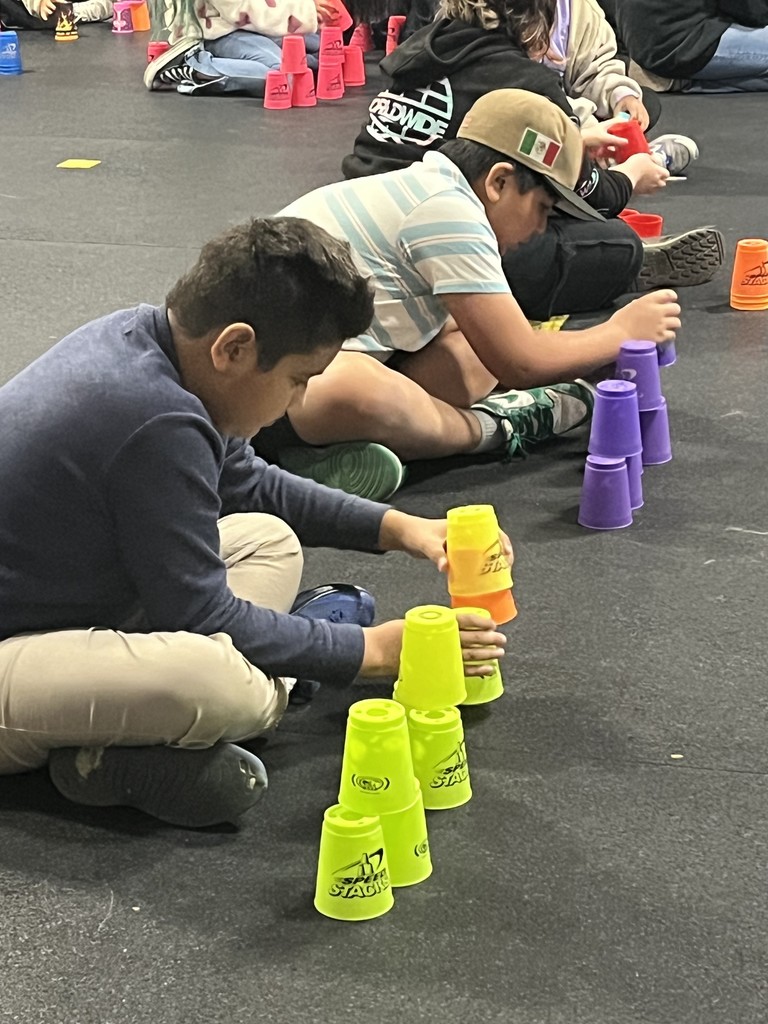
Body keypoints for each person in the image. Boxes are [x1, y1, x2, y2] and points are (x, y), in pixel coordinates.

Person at [0, 216, 508, 828]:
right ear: (234, 348)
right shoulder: (154, 420)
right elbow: (200, 617)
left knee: (268, 540)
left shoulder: (153, 344)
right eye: (297, 381)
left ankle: (118, 744)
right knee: (219, 685)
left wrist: (403, 528)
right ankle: (233, 696)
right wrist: (368, 651)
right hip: (12, 651)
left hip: (69, 610)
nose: (297, 403)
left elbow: (252, 485)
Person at [253, 89, 681, 503]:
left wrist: (575, 354)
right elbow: (521, 361)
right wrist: (619, 332)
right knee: (349, 387)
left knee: (474, 353)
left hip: (323, 371)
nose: (540, 230)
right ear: (498, 183)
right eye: (543, 210)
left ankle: (320, 457)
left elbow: (496, 346)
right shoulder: (447, 210)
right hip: (266, 399)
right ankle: (493, 428)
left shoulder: (439, 190)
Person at [341, 0, 723, 325]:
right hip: (434, 258)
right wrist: (633, 172)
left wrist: (575, 141)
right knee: (614, 240)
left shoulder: (421, 52)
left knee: (521, 193)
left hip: (360, 228)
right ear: (535, 16)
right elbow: (597, 197)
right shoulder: (522, 79)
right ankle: (623, 264)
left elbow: (469, 138)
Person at [143, 0, 329, 95]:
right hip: (217, 34)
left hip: (248, 28)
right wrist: (306, 11)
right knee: (279, 75)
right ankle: (195, 66)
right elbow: (242, 11)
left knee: (322, 50)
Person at [611, 0, 768, 93]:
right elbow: (754, 13)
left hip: (643, 41)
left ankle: (679, 81)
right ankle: (682, 79)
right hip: (684, 40)